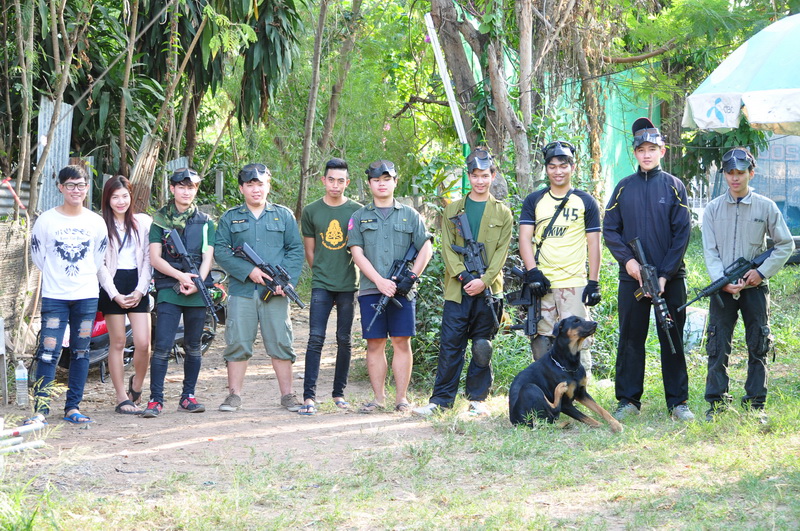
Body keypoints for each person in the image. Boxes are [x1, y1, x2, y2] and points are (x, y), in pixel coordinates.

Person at [603, 117, 695, 422]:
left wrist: (665, 275)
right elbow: (610, 229)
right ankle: (628, 400)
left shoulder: (674, 186)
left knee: (672, 337)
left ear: (662, 151)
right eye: (641, 149)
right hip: (632, 280)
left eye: (652, 149)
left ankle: (678, 402)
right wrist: (628, 262)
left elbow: (682, 234)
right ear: (635, 153)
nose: (646, 154)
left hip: (670, 278)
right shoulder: (623, 188)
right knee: (631, 338)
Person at [412, 149, 512, 417]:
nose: (480, 181)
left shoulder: (503, 213)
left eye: (485, 176)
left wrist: (484, 281)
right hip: (458, 289)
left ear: (493, 176)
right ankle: (440, 401)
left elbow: (501, 253)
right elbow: (447, 248)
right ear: (469, 177)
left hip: (489, 291)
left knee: (482, 346)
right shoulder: (453, 210)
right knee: (450, 345)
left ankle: (477, 400)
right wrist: (465, 276)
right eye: (475, 176)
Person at [701, 148, 794, 422]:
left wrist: (761, 273)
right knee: (717, 345)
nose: (735, 178)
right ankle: (717, 403)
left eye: (740, 172)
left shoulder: (766, 206)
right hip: (723, 290)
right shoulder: (713, 209)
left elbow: (785, 245)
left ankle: (755, 404)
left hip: (755, 290)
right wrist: (721, 281)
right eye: (730, 173)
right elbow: (710, 251)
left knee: (759, 344)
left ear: (751, 174)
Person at [214, 163, 304, 412]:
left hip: (274, 293)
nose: (256, 189)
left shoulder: (283, 215)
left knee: (281, 342)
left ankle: (288, 395)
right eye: (250, 184)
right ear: (242, 188)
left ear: (268, 186)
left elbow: (295, 249)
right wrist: (249, 271)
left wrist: (286, 282)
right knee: (237, 342)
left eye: (260, 184)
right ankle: (234, 395)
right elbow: (221, 250)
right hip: (242, 291)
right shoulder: (230, 217)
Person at [348, 160, 433, 413]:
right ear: (369, 184)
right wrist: (379, 281)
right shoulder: (359, 217)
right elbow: (356, 252)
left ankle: (401, 399)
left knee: (401, 341)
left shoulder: (410, 215)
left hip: (403, 291)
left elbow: (426, 247)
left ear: (395, 182)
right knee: (374, 343)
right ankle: (379, 398)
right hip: (371, 289)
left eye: (387, 179)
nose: (381, 184)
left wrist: (412, 277)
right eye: (376, 180)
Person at [29, 165, 108, 424]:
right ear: (61, 187)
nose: (76, 190)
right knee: (48, 351)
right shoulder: (46, 220)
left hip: (86, 296)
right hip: (55, 296)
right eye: (71, 185)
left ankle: (73, 407)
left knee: (81, 352)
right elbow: (38, 257)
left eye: (81, 185)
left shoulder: (96, 222)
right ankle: (41, 409)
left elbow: (97, 259)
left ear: (87, 188)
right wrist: (58, 276)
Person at [516, 141, 602, 372]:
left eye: (563, 166)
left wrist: (593, 282)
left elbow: (594, 243)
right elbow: (524, 238)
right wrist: (533, 272)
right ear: (546, 169)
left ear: (572, 167)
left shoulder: (585, 201)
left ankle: (580, 387)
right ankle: (547, 388)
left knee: (578, 342)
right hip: (543, 285)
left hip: (574, 283)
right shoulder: (534, 200)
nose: (558, 171)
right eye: (552, 166)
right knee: (541, 340)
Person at [143, 168, 215, 418]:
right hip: (168, 289)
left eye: (191, 187)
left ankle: (188, 396)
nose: (186, 192)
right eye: (181, 187)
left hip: (197, 288)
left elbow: (207, 257)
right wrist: (180, 276)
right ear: (172, 189)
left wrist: (197, 282)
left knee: (194, 346)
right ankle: (156, 399)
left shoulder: (206, 221)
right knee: (162, 346)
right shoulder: (159, 220)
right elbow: (155, 258)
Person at [297, 158, 362, 415]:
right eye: (331, 180)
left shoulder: (357, 211)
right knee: (315, 338)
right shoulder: (311, 211)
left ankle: (338, 393)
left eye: (340, 181)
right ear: (323, 180)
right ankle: (309, 397)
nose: (335, 185)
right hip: (322, 284)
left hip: (348, 284)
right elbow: (310, 251)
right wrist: (323, 274)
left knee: (344, 339)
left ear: (347, 182)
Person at [97, 175, 152, 415]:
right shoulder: (100, 225)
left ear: (131, 196)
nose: (121, 201)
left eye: (125, 196)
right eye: (115, 197)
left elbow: (149, 259)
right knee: (118, 342)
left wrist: (141, 290)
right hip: (112, 284)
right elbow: (99, 265)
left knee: (143, 343)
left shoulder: (143, 222)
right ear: (107, 200)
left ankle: (136, 387)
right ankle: (121, 397)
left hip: (138, 283)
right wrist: (114, 294)